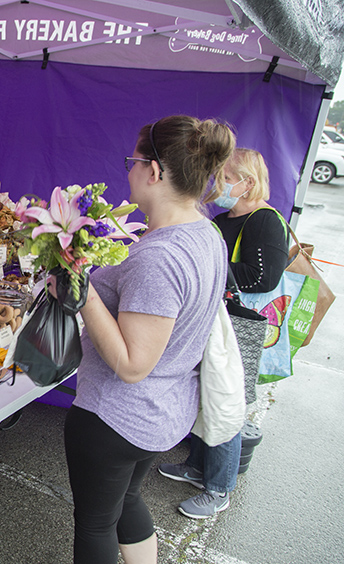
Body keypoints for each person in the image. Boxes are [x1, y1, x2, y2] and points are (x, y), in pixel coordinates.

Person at [63, 115, 234, 564]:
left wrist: (80, 290)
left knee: (97, 523)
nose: (129, 171)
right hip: (161, 414)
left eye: (132, 162)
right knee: (128, 503)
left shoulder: (160, 256)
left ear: (155, 171)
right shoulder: (205, 232)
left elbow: (133, 364)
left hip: (117, 417)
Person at [159, 148, 289, 519]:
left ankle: (218, 489)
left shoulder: (264, 221)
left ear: (248, 182)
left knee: (226, 404)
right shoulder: (224, 217)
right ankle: (198, 468)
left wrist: (214, 269)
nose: (220, 184)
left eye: (227, 178)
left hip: (240, 328)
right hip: (216, 322)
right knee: (206, 396)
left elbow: (265, 278)